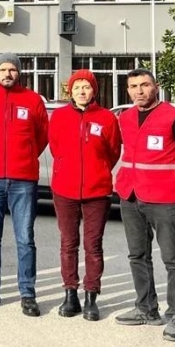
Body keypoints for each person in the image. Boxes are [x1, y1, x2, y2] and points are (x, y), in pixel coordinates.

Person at [114, 68, 175, 342]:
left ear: (157, 87)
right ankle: (146, 309)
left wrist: (174, 180)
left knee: (173, 260)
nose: (139, 91)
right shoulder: (125, 118)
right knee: (137, 256)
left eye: (144, 85)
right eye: (133, 86)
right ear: (127, 90)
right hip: (131, 196)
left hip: (165, 200)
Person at [0, 53, 48, 316]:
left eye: (12, 69)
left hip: (23, 179)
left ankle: (27, 293)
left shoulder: (33, 100)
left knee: (25, 238)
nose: (7, 73)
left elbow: (42, 136)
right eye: (2, 69)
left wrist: (24, 157)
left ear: (19, 72)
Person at [48, 70, 122, 321]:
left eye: (86, 86)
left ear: (94, 90)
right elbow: (55, 146)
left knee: (93, 246)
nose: (81, 91)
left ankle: (92, 295)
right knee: (68, 244)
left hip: (97, 191)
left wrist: (98, 170)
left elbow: (113, 151)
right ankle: (70, 294)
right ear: (70, 90)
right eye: (77, 86)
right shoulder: (58, 117)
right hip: (65, 190)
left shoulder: (107, 118)